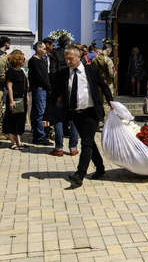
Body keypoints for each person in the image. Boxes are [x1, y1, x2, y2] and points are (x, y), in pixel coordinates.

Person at [44, 46, 114, 186]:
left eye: (71, 59)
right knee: (90, 143)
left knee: (86, 143)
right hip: (75, 113)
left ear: (78, 57)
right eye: (66, 59)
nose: (68, 61)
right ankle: (100, 168)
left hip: (91, 112)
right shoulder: (63, 74)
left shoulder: (91, 71)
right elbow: (54, 96)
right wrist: (47, 116)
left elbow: (104, 85)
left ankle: (80, 174)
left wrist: (110, 99)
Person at [49, 35, 79, 157]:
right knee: (73, 119)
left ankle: (59, 147)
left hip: (60, 91)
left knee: (59, 120)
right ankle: (73, 148)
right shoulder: (72, 55)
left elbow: (53, 74)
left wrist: (54, 92)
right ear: (68, 44)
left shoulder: (55, 55)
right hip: (72, 90)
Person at [28, 42, 53, 145]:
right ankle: (39, 136)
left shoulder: (42, 60)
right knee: (39, 112)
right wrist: (48, 87)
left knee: (40, 111)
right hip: (40, 88)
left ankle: (40, 134)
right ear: (38, 49)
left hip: (44, 88)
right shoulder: (34, 61)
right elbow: (39, 77)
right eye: (43, 48)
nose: (45, 50)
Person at [4, 50, 29, 150]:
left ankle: (19, 141)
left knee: (20, 120)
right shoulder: (11, 71)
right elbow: (9, 86)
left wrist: (26, 97)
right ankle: (12, 142)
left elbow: (24, 86)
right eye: (23, 59)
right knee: (12, 120)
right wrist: (11, 100)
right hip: (14, 99)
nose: (24, 61)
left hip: (22, 99)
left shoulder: (21, 72)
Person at [92, 44, 115, 124]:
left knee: (98, 104)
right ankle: (106, 123)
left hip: (97, 85)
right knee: (106, 104)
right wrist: (115, 74)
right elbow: (111, 74)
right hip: (107, 84)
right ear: (108, 50)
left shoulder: (95, 59)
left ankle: (97, 124)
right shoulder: (108, 60)